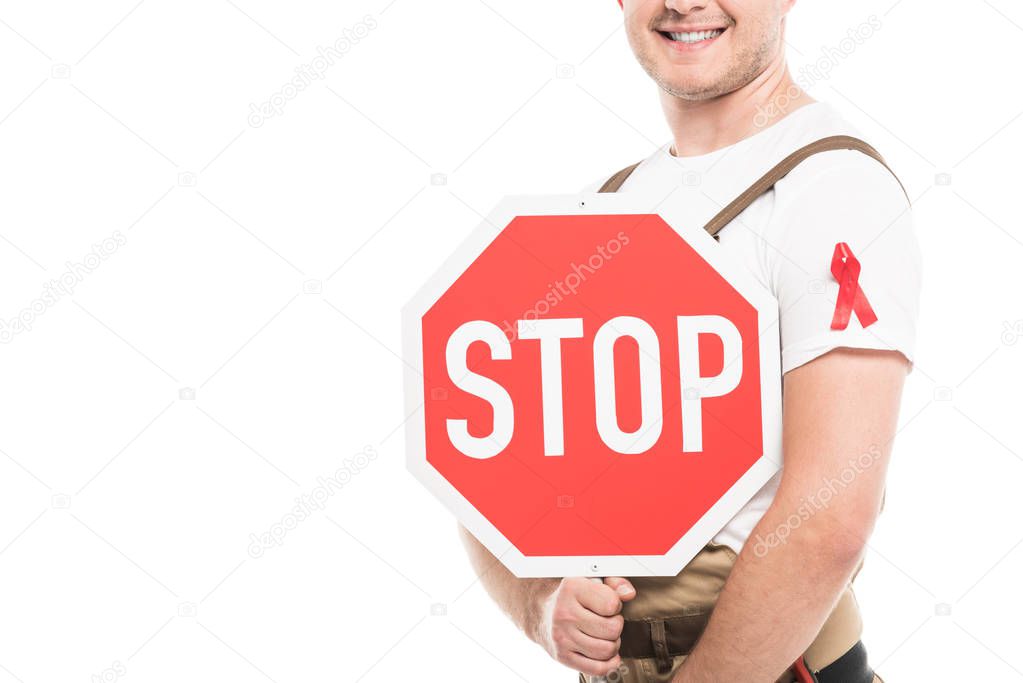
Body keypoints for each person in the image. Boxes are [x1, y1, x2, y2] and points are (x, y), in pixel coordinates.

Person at [459, 1, 921, 681]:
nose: (684, 2)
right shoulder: (594, 210)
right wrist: (539, 601)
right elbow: (484, 467)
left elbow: (830, 520)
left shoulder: (832, 190)